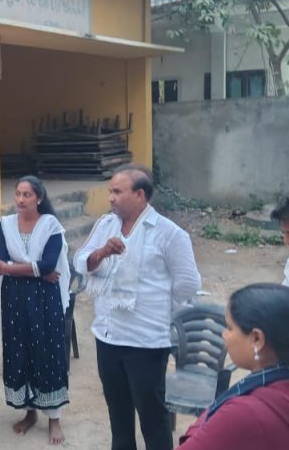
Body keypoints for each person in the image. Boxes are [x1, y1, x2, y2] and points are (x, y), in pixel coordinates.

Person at [73, 164, 201, 450]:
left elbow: (188, 284)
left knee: (153, 420)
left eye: (118, 192)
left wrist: (154, 304)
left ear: (140, 195)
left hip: (146, 342)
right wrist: (103, 252)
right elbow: (81, 261)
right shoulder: (106, 225)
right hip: (108, 336)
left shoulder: (170, 234)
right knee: (118, 418)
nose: (111, 198)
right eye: (110, 191)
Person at [177, 284, 289, 449]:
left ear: (256, 338)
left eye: (230, 328)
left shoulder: (243, 413)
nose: (224, 335)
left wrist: (204, 421)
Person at [0, 175, 71, 446]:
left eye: (27, 195)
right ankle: (29, 412)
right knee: (19, 350)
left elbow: (48, 265)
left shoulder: (51, 226)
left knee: (48, 351)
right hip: (14, 299)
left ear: (39, 198)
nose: (21, 199)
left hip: (44, 299)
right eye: (18, 194)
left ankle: (54, 418)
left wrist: (12, 268)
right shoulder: (4, 224)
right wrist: (33, 270)